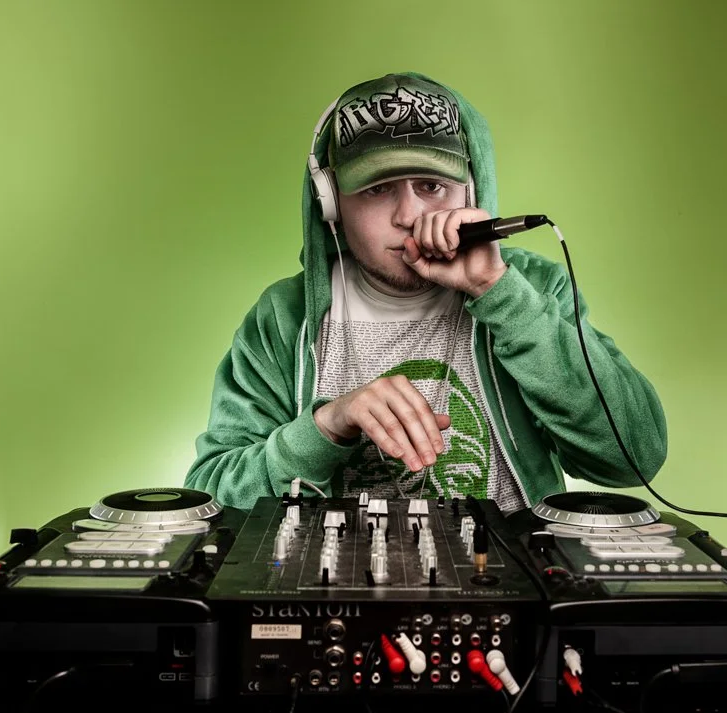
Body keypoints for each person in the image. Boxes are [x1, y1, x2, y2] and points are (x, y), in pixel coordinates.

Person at [185, 71, 667, 512]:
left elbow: (632, 459)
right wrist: (327, 425)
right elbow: (212, 496)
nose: (408, 214)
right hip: (335, 593)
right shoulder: (284, 318)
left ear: (470, 193)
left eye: (432, 185)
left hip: (509, 582)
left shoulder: (533, 290)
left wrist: (498, 293)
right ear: (331, 204)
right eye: (377, 190)